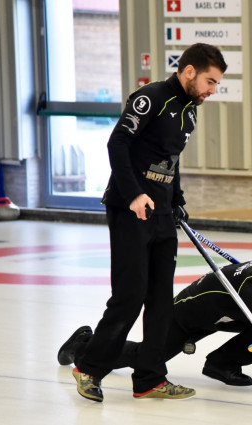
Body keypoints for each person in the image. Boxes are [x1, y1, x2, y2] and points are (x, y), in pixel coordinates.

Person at [64, 43, 228, 402]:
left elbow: (170, 160)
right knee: (130, 295)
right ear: (189, 72)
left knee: (160, 300)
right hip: (130, 209)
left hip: (163, 213)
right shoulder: (151, 97)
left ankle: (150, 377)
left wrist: (178, 200)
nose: (212, 90)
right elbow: (117, 144)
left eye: (216, 84)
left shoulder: (190, 110)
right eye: (210, 81)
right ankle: (88, 367)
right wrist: (135, 194)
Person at [59, 235, 252, 387]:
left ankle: (221, 364)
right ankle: (85, 346)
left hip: (226, 316)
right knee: (146, 360)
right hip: (187, 315)